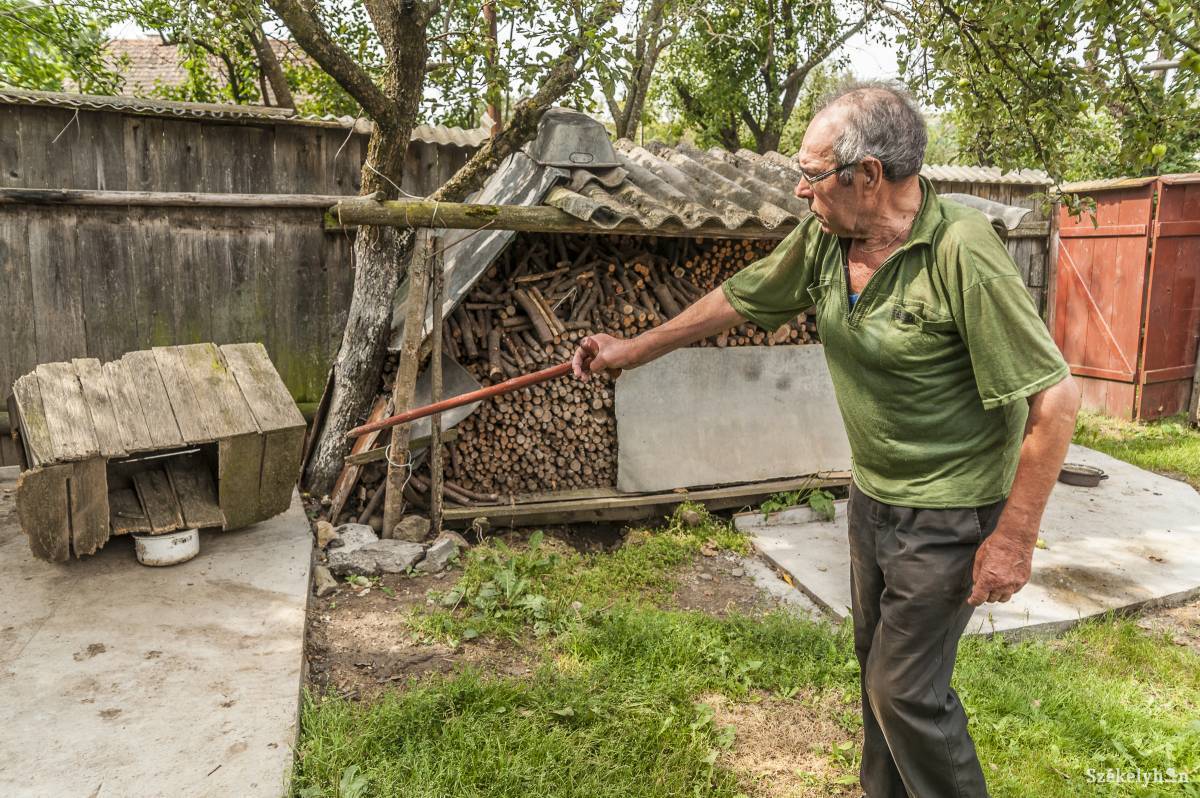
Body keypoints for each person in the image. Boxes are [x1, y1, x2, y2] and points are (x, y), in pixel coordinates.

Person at [571, 81, 1080, 797]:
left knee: (906, 693)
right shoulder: (826, 239)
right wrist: (634, 349)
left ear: (867, 175)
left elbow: (1055, 400)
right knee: (876, 672)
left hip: (951, 511)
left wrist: (1015, 536)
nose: (801, 194)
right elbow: (741, 296)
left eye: (810, 178)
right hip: (874, 500)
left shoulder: (961, 251)